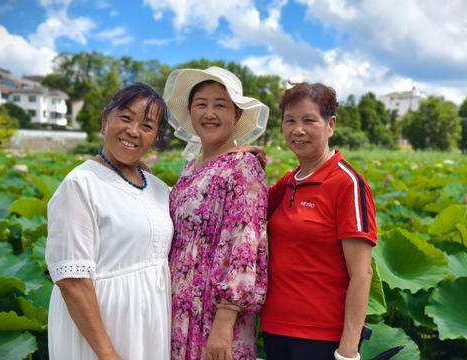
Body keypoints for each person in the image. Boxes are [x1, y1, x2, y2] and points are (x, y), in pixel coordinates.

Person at [45, 83, 173, 360]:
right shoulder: (80, 185)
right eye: (125, 118)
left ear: (155, 137)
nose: (133, 131)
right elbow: (72, 281)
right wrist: (108, 354)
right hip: (102, 335)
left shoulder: (158, 187)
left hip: (150, 326)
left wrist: (236, 154)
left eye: (147, 126)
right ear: (105, 119)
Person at [260, 82, 377, 360]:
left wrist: (348, 350)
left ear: (330, 124)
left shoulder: (347, 183)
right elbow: (248, 211)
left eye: (309, 120)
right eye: (289, 121)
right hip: (276, 326)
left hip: (321, 336)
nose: (297, 130)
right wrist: (236, 160)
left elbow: (362, 274)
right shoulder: (290, 180)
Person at [163, 66, 269, 360]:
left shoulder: (243, 167)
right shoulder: (190, 167)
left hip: (216, 317)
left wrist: (225, 322)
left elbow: (244, 246)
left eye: (220, 105)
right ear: (190, 112)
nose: (209, 113)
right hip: (181, 307)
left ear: (236, 115)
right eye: (201, 104)